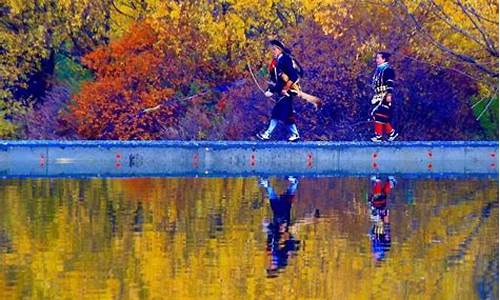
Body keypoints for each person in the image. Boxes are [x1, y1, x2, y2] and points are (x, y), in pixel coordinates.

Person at [257, 40, 301, 142]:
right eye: (272, 49)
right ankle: (295, 134)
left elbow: (293, 76)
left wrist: (285, 89)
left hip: (287, 92)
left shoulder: (286, 59)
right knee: (285, 115)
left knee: (277, 113)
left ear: (280, 49)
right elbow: (274, 80)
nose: (273, 51)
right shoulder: (276, 61)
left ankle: (267, 134)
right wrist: (269, 89)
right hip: (281, 92)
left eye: (275, 49)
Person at [259, 176, 300, 277]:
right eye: (270, 267)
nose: (269, 264)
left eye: (269, 266)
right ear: (273, 268)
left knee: (281, 201)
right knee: (284, 202)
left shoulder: (275, 257)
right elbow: (286, 244)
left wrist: (267, 228)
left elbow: (271, 241)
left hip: (277, 223)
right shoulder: (280, 259)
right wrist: (285, 232)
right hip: (282, 222)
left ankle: (268, 185)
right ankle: (293, 183)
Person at [370, 51, 398, 142]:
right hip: (378, 95)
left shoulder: (387, 69)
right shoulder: (379, 69)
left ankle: (379, 135)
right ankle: (391, 133)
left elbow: (390, 82)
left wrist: (389, 94)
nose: (376, 60)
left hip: (385, 94)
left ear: (384, 59)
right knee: (379, 115)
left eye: (378, 58)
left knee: (378, 113)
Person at [368, 175, 396, 262]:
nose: (373, 256)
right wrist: (386, 220)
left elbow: (374, 237)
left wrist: (371, 233)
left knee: (379, 199)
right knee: (377, 199)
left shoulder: (378, 248)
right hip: (380, 223)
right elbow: (387, 233)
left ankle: (388, 183)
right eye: (375, 257)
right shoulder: (383, 247)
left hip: (377, 223)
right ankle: (380, 182)